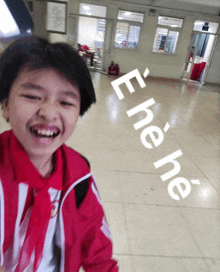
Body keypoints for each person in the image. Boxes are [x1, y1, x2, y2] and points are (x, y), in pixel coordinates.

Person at [0, 36, 118, 272]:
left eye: (65, 102)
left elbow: (96, 245)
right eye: (33, 96)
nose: (49, 113)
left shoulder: (78, 176)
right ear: (5, 105)